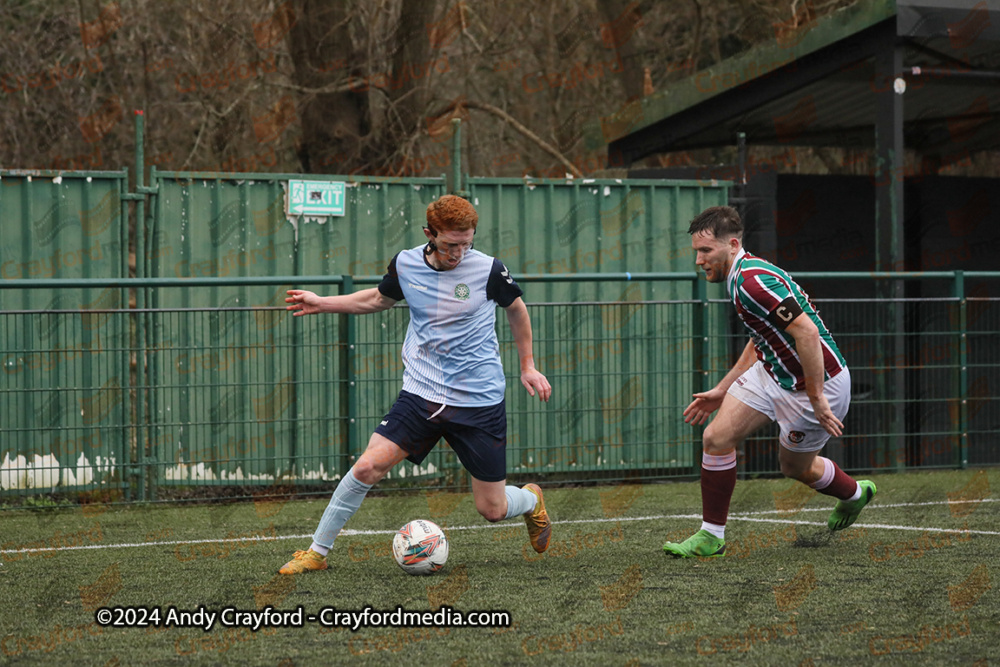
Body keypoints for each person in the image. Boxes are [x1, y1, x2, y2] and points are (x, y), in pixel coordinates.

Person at [279, 195, 553, 574]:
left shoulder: (489, 270)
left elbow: (517, 309)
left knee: (493, 510)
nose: (458, 253)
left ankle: (530, 500)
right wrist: (322, 302)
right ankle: (316, 553)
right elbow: (377, 299)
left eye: (466, 243)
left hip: (479, 401)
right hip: (421, 395)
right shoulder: (406, 263)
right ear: (430, 234)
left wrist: (528, 366)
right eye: (449, 244)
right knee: (366, 468)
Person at [663, 205, 876, 558]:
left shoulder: (751, 282)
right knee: (716, 438)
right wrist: (723, 388)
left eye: (705, 251)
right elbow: (761, 335)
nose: (699, 261)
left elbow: (806, 333)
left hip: (816, 385)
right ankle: (711, 536)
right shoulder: (739, 277)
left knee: (796, 468)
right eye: (697, 252)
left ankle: (855, 494)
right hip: (772, 373)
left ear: (732, 244)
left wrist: (817, 395)